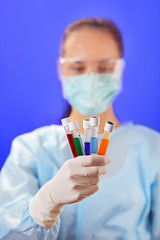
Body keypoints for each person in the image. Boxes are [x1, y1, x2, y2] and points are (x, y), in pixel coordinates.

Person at [0, 17, 160, 240]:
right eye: (78, 67)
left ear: (119, 70)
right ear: (61, 70)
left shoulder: (153, 150)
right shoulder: (31, 150)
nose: (91, 78)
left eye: (104, 67)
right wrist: (44, 205)